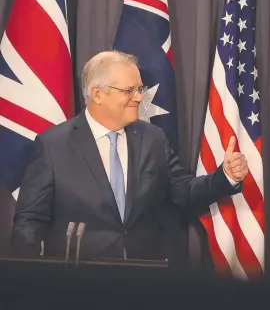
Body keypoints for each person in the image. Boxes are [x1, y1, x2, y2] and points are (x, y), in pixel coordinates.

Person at [10, 50, 248, 263]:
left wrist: (225, 177)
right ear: (97, 94)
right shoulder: (53, 146)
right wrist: (25, 283)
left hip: (144, 278)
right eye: (129, 90)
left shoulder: (153, 138)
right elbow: (30, 221)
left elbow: (182, 192)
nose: (138, 97)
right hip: (79, 282)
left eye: (139, 89)